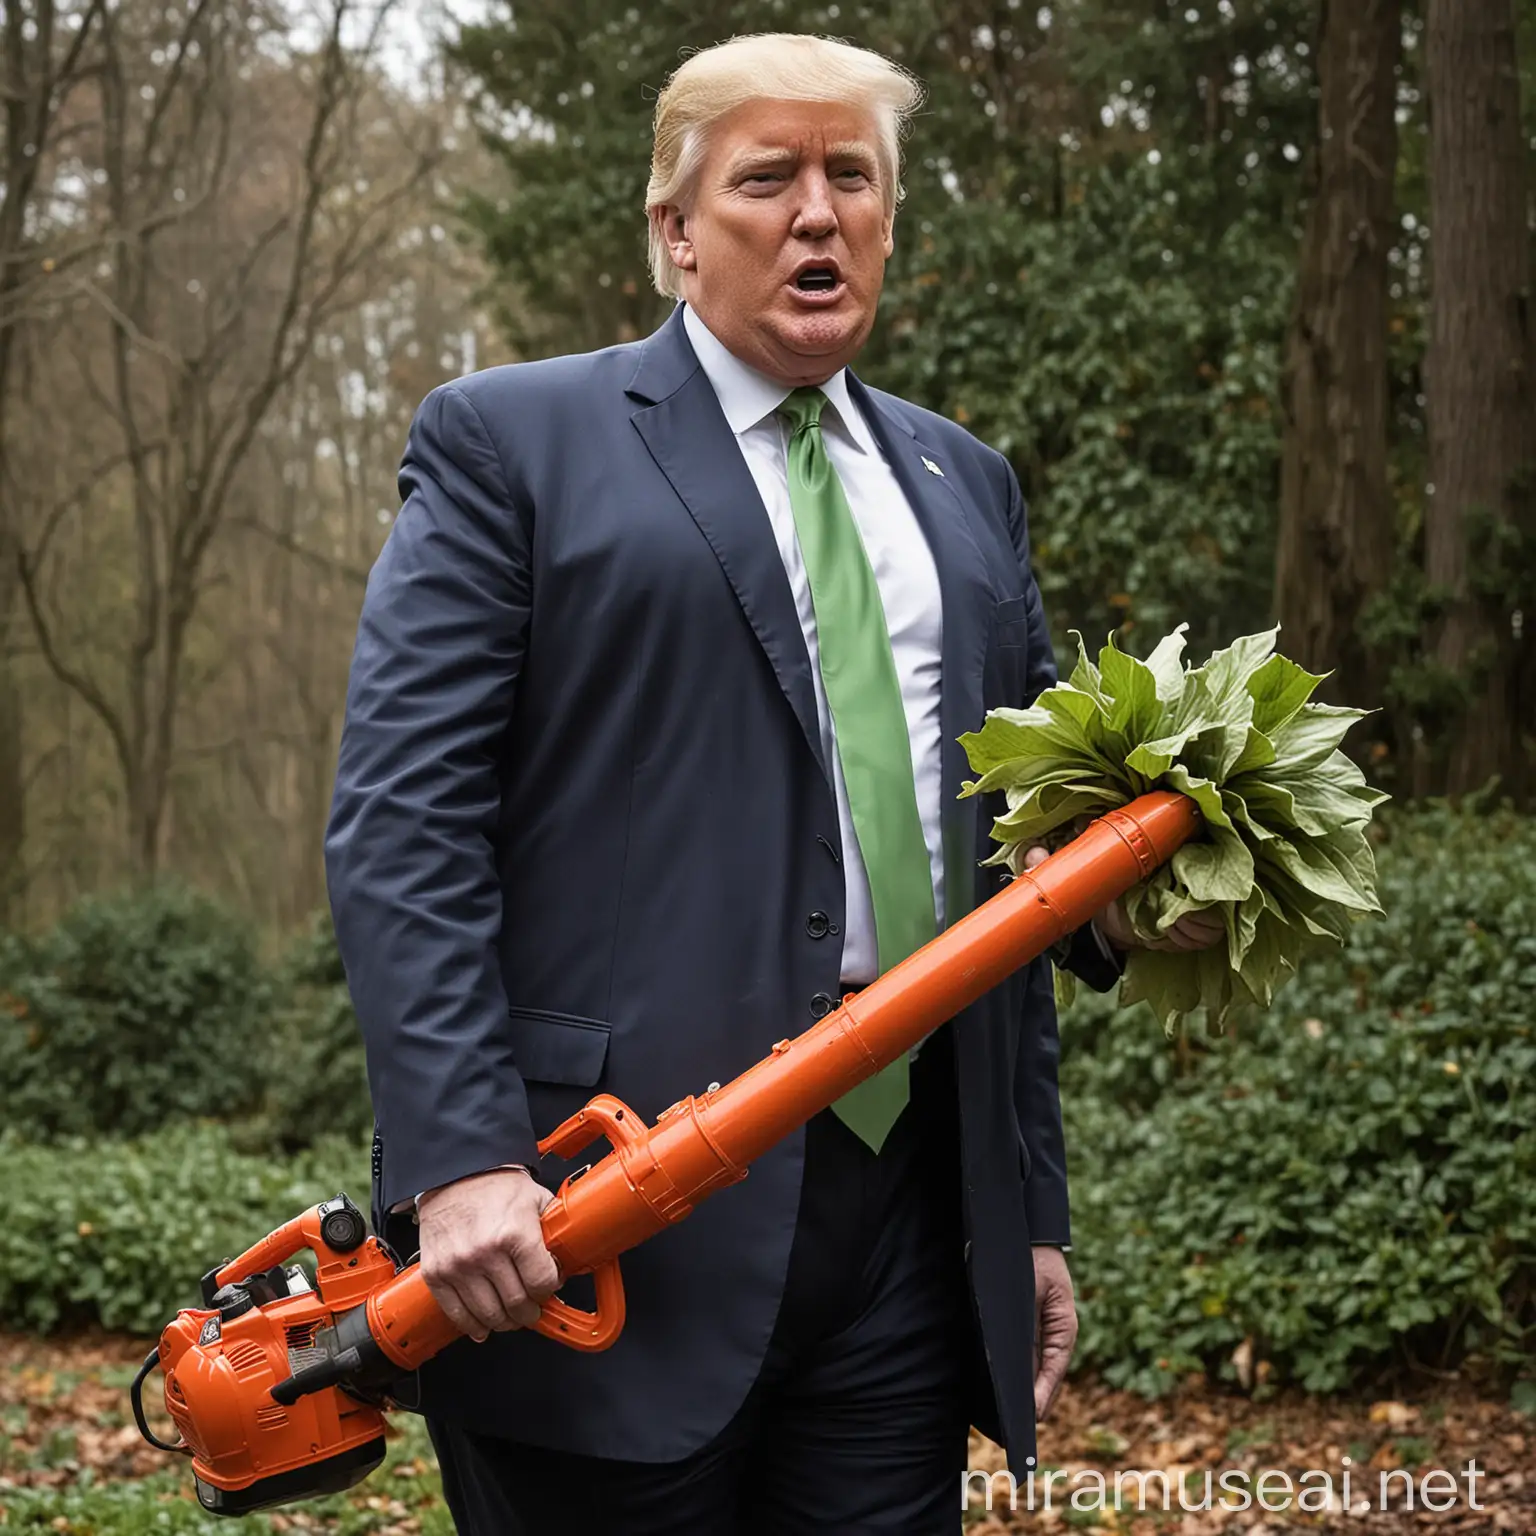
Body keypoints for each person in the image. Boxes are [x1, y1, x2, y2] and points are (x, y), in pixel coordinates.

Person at [324, 30, 1222, 1535]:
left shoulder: (967, 486)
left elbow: (1019, 864)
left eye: (851, 177)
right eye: (770, 179)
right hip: (602, 1226)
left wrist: (1031, 1210)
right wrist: (465, 1158)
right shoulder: (511, 445)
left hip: (907, 1234)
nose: (821, 212)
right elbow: (405, 825)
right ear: (676, 232)